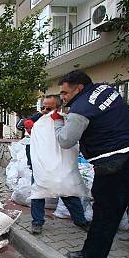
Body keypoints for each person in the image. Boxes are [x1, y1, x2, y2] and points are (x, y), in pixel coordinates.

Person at [52, 70, 129, 258]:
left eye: (65, 93)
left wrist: (58, 122)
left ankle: (92, 255)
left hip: (115, 164)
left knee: (105, 210)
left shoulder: (81, 109)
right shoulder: (106, 89)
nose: (63, 97)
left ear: (79, 88)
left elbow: (66, 140)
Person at [16, 95, 88, 235]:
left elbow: (69, 138)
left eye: (49, 107)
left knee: (67, 191)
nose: (45, 109)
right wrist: (38, 116)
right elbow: (22, 124)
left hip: (60, 163)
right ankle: (37, 222)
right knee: (38, 194)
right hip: (41, 165)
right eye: (43, 106)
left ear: (58, 106)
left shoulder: (63, 120)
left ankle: (80, 221)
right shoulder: (38, 119)